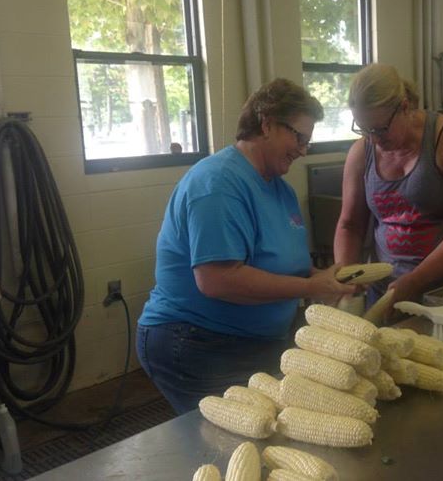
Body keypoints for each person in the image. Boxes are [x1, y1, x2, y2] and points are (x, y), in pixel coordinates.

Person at [136, 78, 354, 414]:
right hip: (196, 341)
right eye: (299, 137)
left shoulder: (280, 190)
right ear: (266, 124)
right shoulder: (219, 183)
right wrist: (310, 286)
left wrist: (326, 280)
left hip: (253, 342)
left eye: (308, 141)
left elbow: (282, 267)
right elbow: (217, 279)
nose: (303, 150)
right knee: (233, 442)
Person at [334, 63, 443, 309]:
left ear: (404, 107)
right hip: (388, 288)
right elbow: (350, 224)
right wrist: (348, 275)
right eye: (365, 130)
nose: (374, 140)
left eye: (380, 129)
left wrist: (416, 280)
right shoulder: (361, 152)